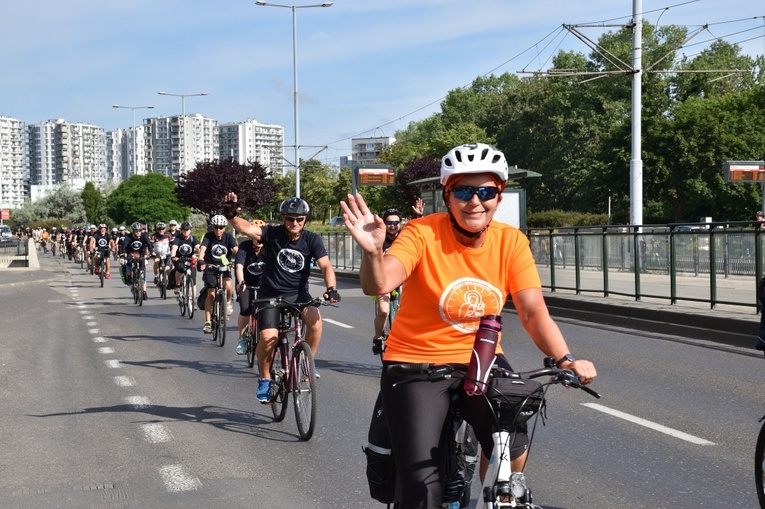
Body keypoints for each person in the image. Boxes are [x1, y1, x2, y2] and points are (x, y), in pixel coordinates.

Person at [340, 142, 597, 508]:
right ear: (447, 195)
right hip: (416, 364)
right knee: (422, 489)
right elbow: (379, 284)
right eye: (463, 190)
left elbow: (533, 312)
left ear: (498, 195)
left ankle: (491, 498)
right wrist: (372, 252)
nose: (474, 201)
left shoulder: (511, 242)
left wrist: (565, 358)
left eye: (485, 191)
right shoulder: (421, 233)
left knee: (511, 446)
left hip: (482, 360)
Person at [221, 194, 341, 403]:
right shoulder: (272, 233)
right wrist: (231, 214)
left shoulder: (312, 239)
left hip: (298, 295)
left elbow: (325, 265)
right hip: (270, 295)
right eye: (290, 218)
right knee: (268, 337)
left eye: (299, 219)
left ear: (305, 219)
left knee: (315, 318)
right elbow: (246, 228)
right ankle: (265, 379)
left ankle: (306, 362)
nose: (295, 223)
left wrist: (331, 288)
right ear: (283, 218)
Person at [197, 215, 238, 335]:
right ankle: (208, 322)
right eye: (216, 227)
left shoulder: (228, 237)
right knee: (211, 294)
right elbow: (203, 249)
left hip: (225, 267)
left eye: (221, 227)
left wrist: (241, 258)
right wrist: (201, 260)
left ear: (224, 228)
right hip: (211, 267)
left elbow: (236, 249)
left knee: (228, 287)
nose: (218, 230)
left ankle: (228, 303)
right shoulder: (209, 236)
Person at [372, 208, 403, 354]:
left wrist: (418, 215)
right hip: (383, 281)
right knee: (384, 311)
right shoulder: (380, 239)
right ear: (384, 224)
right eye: (389, 222)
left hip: (403, 280)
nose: (393, 225)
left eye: (396, 222)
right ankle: (378, 338)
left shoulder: (404, 238)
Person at [234, 221, 267, 355]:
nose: (258, 240)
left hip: (265, 285)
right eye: (255, 236)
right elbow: (239, 266)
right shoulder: (244, 247)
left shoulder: (269, 247)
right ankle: (242, 338)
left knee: (268, 311)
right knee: (245, 309)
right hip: (246, 284)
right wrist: (241, 282)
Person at [122, 221, 153, 299]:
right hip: (131, 253)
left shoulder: (144, 236)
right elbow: (124, 245)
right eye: (136, 231)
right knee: (128, 262)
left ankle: (144, 291)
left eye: (140, 230)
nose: (138, 232)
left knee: (143, 272)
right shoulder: (128, 237)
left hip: (141, 254)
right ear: (133, 231)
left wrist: (152, 252)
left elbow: (149, 244)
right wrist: (122, 254)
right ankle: (129, 276)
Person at [169, 221, 200, 294]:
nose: (186, 231)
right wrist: (173, 256)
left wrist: (201, 255)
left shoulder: (193, 238)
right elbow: (174, 248)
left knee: (193, 282)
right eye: (184, 230)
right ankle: (177, 285)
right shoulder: (178, 238)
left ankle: (192, 302)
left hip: (190, 260)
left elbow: (198, 247)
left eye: (187, 230)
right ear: (181, 230)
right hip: (180, 259)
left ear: (190, 230)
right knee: (180, 270)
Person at [150, 222, 172, 288]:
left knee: (168, 268)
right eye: (159, 229)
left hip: (167, 253)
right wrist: (151, 252)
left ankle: (170, 281)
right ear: (157, 229)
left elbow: (173, 244)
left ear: (165, 229)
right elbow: (150, 246)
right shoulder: (154, 236)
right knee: (156, 261)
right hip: (157, 253)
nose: (161, 230)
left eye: (162, 229)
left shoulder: (168, 235)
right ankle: (156, 276)